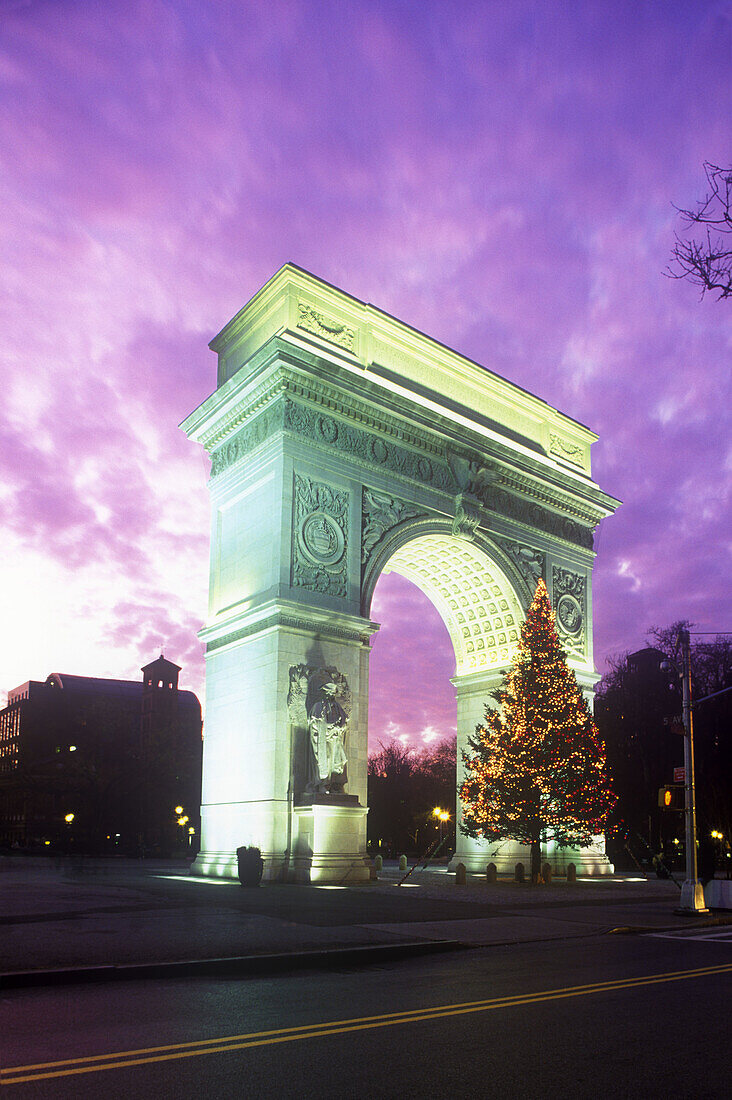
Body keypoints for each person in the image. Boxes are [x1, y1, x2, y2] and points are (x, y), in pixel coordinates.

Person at [308, 681, 348, 793]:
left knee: (337, 760)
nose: (331, 696)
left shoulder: (338, 707)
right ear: (324, 694)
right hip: (323, 739)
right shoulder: (318, 706)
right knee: (325, 760)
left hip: (336, 739)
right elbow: (315, 723)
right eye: (329, 693)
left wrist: (339, 726)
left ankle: (336, 785)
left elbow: (344, 721)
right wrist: (330, 726)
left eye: (333, 693)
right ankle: (324, 783)